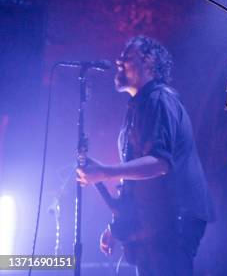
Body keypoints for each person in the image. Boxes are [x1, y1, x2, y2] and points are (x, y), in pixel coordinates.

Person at [76, 35, 215, 276]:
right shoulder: (139, 105)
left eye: (127, 56)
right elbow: (136, 172)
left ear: (149, 62)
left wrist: (104, 172)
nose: (118, 61)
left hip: (172, 218)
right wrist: (117, 223)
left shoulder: (158, 100)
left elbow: (159, 163)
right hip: (154, 220)